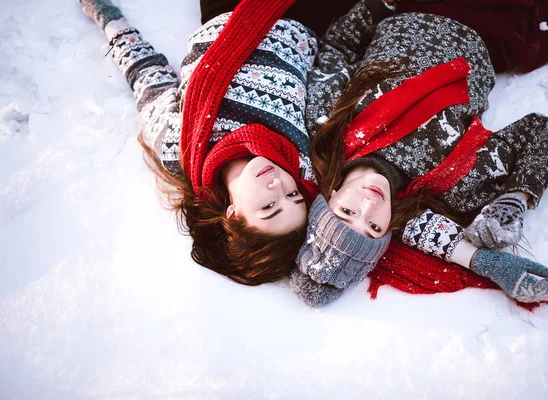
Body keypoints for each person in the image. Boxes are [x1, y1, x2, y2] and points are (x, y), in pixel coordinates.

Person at [291, 1, 548, 306]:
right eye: (375, 227)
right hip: (488, 24)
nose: (368, 206)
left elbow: (337, 48)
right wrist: (515, 199)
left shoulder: (328, 124)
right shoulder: (449, 181)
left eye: (347, 213)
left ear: (330, 195)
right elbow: (543, 129)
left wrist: (376, 6)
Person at [75, 0, 366, 285]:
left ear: (233, 214)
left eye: (268, 206)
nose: (279, 185)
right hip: (304, 18)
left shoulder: (180, 148)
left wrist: (110, 21)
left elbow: (147, 77)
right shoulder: (305, 158)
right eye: (294, 196)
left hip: (228, 10)